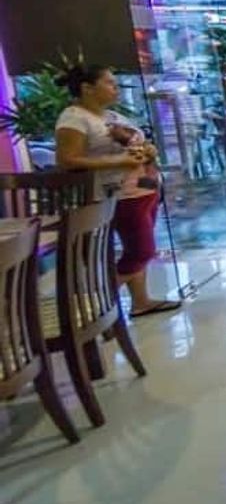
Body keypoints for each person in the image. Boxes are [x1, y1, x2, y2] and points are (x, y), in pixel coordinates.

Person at [54, 63, 181, 317]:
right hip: (115, 194)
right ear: (87, 88)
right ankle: (97, 300)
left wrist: (149, 150)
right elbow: (67, 160)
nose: (116, 88)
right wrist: (118, 161)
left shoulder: (111, 116)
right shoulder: (74, 118)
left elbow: (137, 143)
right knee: (142, 250)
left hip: (141, 189)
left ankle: (140, 300)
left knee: (137, 248)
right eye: (110, 83)